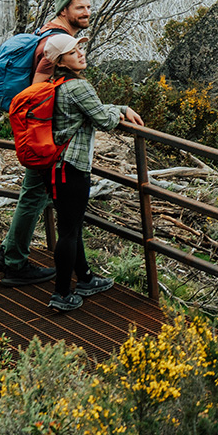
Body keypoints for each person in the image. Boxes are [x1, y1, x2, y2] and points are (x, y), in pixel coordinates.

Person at [0, 0, 94, 286]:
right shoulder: (59, 39)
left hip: (36, 130)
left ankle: (8, 252)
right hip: (43, 134)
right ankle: (15, 263)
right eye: (80, 8)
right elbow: (39, 88)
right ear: (64, 9)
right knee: (34, 194)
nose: (87, 12)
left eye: (88, 7)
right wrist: (49, 131)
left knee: (32, 192)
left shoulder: (47, 31)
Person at [37, 32, 145, 311]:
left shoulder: (55, 84)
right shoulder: (78, 88)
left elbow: (89, 111)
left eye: (80, 50)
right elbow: (103, 120)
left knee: (70, 226)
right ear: (61, 60)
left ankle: (84, 278)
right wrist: (118, 112)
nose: (81, 54)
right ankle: (61, 294)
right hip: (72, 168)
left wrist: (115, 107)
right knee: (69, 231)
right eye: (74, 52)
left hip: (55, 166)